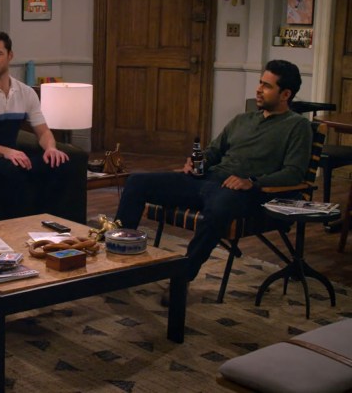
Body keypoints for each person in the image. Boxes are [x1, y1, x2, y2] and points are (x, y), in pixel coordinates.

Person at [114, 59, 313, 303]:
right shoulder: (242, 119)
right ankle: (116, 259)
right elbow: (213, 152)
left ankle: (182, 278)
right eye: (260, 83)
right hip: (205, 181)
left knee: (220, 207)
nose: (259, 89)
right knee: (136, 182)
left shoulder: (297, 126)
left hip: (241, 193)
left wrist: (252, 182)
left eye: (267, 86)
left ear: (286, 94)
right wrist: (196, 162)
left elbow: (294, 172)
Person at [0, 30, 71, 220]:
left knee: (59, 164)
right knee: (14, 172)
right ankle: (22, 227)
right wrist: (7, 152)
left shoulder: (26, 92)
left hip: (13, 156)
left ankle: (54, 225)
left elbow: (43, 131)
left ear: (10, 55)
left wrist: (51, 148)